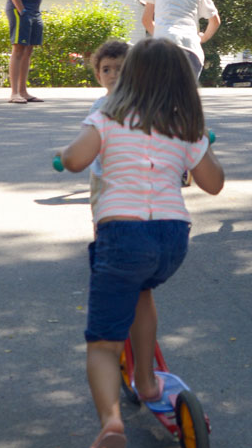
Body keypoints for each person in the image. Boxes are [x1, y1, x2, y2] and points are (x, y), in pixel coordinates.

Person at [57, 38, 225, 448]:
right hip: (170, 239)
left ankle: (111, 424)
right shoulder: (184, 124)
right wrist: (200, 144)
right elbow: (214, 184)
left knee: (102, 342)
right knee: (142, 291)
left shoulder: (107, 116)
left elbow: (76, 160)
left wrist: (62, 154)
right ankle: (147, 382)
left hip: (123, 235)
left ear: (128, 75)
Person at [87, 39, 129, 212]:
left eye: (119, 69)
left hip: (133, 173)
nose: (113, 74)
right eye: (106, 70)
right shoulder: (99, 107)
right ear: (98, 76)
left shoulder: (141, 103)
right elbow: (89, 138)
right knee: (102, 215)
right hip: (102, 174)